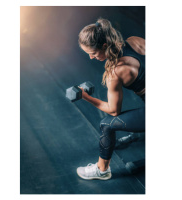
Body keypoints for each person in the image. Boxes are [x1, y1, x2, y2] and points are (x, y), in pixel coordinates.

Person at [76, 18, 145, 180]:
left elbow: (114, 111)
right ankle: (139, 135)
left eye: (92, 53)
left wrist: (85, 97)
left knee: (106, 125)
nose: (91, 58)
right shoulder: (135, 41)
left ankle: (102, 170)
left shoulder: (116, 72)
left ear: (105, 46)